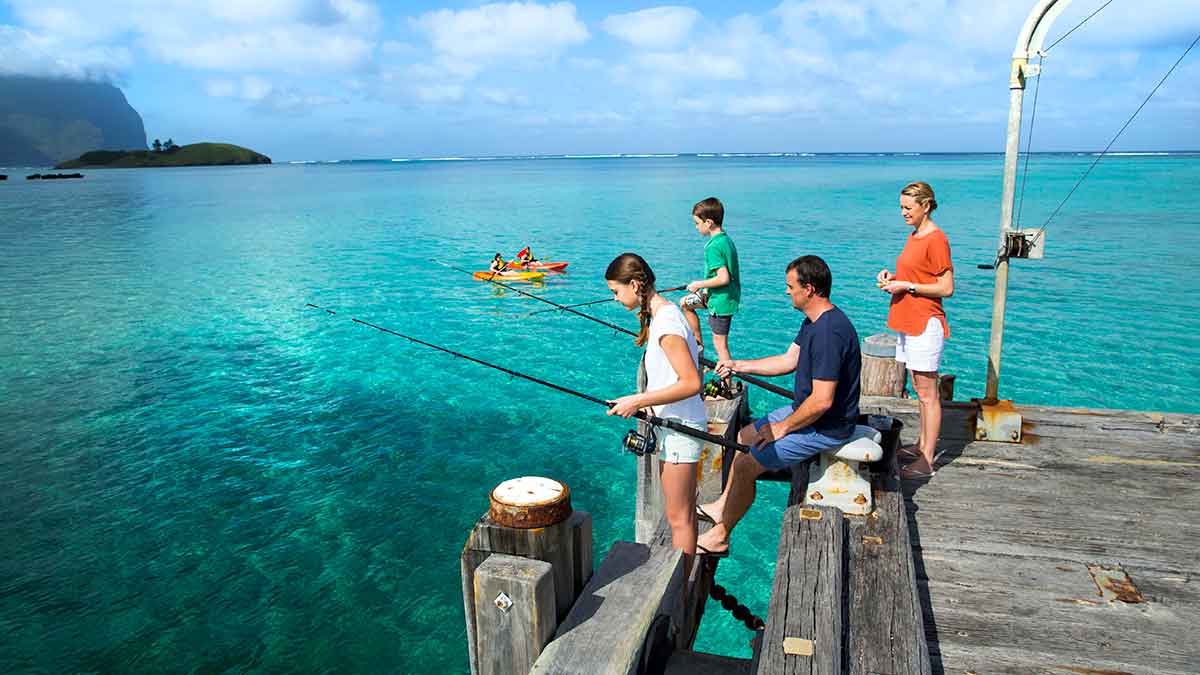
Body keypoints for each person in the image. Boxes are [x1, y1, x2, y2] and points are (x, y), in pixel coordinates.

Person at [696, 255, 861, 557]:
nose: (786, 292)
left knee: (747, 463)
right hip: (809, 413)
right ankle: (722, 507)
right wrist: (738, 365)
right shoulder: (815, 321)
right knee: (744, 436)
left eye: (790, 286)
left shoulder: (828, 333)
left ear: (809, 289)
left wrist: (782, 428)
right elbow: (789, 360)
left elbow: (823, 401)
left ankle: (720, 536)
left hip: (827, 426)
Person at [606, 253, 708, 561]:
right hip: (676, 427)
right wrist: (641, 403)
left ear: (635, 285)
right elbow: (680, 369)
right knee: (683, 514)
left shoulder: (665, 323)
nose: (615, 298)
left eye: (616, 291)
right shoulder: (666, 314)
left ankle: (683, 588)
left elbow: (692, 382)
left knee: (680, 519)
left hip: (681, 431)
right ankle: (683, 581)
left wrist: (638, 400)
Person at [875, 181, 954, 480]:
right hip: (908, 320)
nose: (903, 213)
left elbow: (946, 287)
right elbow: (918, 276)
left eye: (908, 208)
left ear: (926, 206)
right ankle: (921, 445)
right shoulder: (915, 236)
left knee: (927, 393)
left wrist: (906, 285)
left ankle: (928, 460)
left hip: (924, 322)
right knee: (920, 390)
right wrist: (893, 278)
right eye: (901, 208)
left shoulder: (936, 239)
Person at [681, 197, 740, 364]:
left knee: (721, 347)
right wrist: (705, 291)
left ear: (708, 222)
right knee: (685, 303)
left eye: (697, 223)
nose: (696, 227)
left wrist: (698, 284)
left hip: (720, 303)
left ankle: (727, 385)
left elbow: (723, 278)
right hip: (720, 297)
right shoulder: (726, 240)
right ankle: (698, 345)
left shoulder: (713, 247)